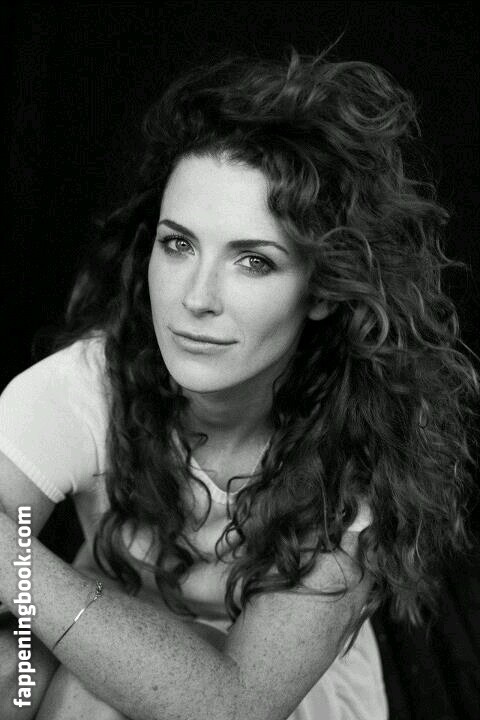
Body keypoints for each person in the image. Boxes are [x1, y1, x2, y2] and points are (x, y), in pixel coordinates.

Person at [0, 46, 477, 720]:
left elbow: (236, 703)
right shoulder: (88, 385)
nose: (196, 298)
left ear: (322, 289)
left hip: (272, 689)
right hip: (104, 619)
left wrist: (11, 562)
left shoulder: (364, 451)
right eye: (179, 244)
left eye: (253, 261)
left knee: (83, 688)